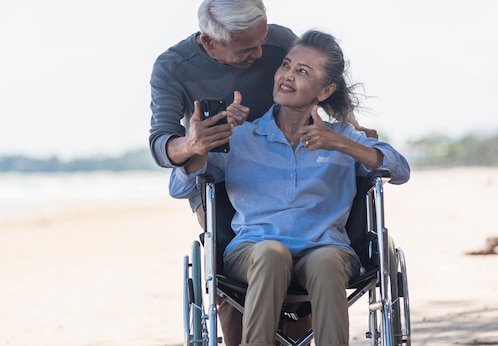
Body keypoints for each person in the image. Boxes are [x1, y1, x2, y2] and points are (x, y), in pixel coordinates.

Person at [168, 30, 411, 346]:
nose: (287, 76)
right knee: (272, 253)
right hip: (253, 251)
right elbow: (178, 186)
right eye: (285, 65)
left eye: (302, 71)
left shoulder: (342, 137)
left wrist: (341, 143)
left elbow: (400, 169)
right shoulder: (241, 137)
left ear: (325, 91)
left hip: (325, 249)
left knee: (325, 262)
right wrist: (199, 144)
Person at [149, 0, 302, 345]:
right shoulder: (173, 67)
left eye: (262, 41)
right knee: (228, 268)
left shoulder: (283, 41)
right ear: (208, 43)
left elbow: (324, 83)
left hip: (284, 170)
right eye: (247, 50)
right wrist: (193, 142)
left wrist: (352, 124)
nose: (261, 53)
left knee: (297, 257)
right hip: (217, 177)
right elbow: (160, 145)